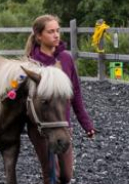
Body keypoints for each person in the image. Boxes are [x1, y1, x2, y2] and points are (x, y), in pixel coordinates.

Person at [25, 15, 96, 184]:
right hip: (41, 128)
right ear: (39, 36)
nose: (56, 35)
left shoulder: (66, 58)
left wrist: (86, 123)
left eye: (57, 31)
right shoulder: (31, 63)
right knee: (50, 175)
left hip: (63, 124)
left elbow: (76, 93)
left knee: (66, 176)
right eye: (50, 32)